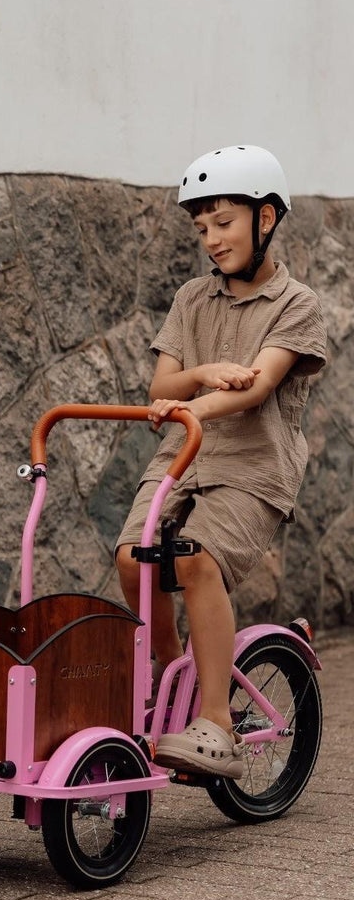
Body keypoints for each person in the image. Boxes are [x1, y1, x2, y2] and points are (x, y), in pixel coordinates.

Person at [115, 145, 327, 778]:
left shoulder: (297, 304)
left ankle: (216, 722)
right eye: (201, 227)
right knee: (132, 561)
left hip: (253, 467)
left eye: (224, 222)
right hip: (184, 452)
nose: (211, 239)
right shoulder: (192, 300)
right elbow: (164, 383)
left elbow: (258, 387)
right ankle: (168, 682)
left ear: (266, 219)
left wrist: (193, 406)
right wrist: (202, 376)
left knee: (195, 558)